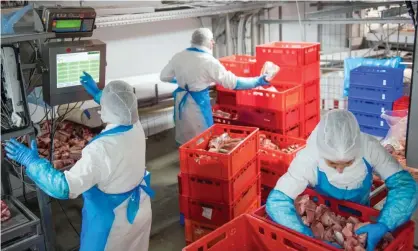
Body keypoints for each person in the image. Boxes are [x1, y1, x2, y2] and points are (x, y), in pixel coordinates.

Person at [5, 72, 154, 251]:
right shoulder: (135, 126)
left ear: (106, 109)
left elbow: (64, 187)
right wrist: (98, 93)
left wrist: (31, 161)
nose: (100, 108)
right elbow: (120, 105)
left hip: (113, 224)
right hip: (139, 210)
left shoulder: (101, 148)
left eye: (103, 104)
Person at [266, 110, 417, 251]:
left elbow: (404, 186)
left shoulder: (369, 147)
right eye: (332, 164)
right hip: (326, 209)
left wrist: (385, 223)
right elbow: (278, 201)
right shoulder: (309, 157)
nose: (340, 170)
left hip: (360, 214)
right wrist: (305, 235)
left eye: (348, 163)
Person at [160, 28, 270, 145]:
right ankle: (199, 160)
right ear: (208, 42)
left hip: (181, 100)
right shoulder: (208, 61)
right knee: (201, 137)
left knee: (185, 136)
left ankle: (185, 159)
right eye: (212, 40)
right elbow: (233, 83)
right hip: (197, 104)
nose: (213, 43)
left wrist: (184, 81)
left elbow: (164, 76)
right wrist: (258, 81)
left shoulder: (179, 56)